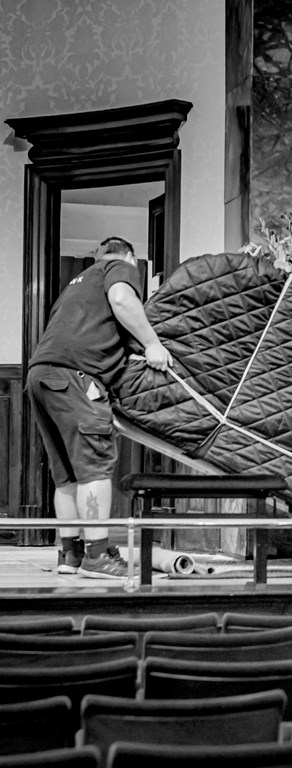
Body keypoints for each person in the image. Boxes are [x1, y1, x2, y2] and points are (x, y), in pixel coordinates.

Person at [26, 236, 172, 579]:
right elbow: (121, 299)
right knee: (94, 467)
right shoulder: (119, 266)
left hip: (40, 375)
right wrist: (152, 343)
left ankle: (70, 554)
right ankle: (98, 556)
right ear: (130, 257)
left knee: (67, 476)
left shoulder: (75, 287)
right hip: (75, 377)